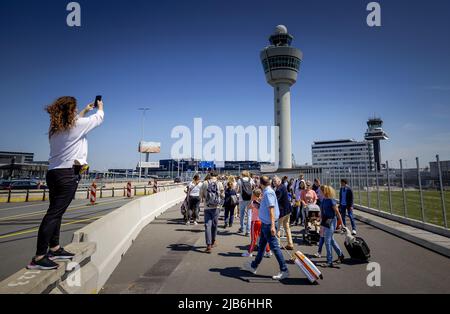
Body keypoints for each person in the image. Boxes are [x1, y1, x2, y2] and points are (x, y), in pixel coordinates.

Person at [28, 96, 104, 270]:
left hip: (54, 173)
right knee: (54, 214)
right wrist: (100, 107)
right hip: (67, 175)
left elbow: (75, 120)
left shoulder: (55, 129)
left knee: (57, 213)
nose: (76, 112)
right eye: (74, 109)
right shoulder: (75, 126)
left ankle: (54, 248)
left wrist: (85, 109)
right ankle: (39, 257)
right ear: (70, 111)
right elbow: (99, 119)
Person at [243, 176, 289, 280]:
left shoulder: (268, 193)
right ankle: (254, 266)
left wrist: (273, 226)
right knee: (262, 246)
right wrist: (258, 205)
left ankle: (284, 269)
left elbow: (271, 209)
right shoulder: (268, 191)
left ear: (261, 183)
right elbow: (267, 207)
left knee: (275, 247)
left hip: (268, 224)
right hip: (265, 223)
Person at [318, 185, 345, 267]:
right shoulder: (323, 200)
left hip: (332, 221)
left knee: (327, 241)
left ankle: (329, 261)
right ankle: (340, 255)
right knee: (331, 240)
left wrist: (342, 224)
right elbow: (322, 212)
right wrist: (320, 221)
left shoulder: (331, 200)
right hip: (325, 221)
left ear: (324, 191)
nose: (319, 192)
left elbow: (337, 213)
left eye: (320, 191)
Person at [241, 189, 271, 257]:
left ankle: (250, 252)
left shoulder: (254, 202)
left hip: (255, 221)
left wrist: (252, 199)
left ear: (254, 195)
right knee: (264, 238)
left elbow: (248, 207)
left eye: (252, 195)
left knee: (254, 238)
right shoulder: (263, 201)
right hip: (262, 221)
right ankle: (268, 251)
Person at [200, 171, 224, 253]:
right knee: (214, 225)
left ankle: (208, 245)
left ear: (210, 175)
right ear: (216, 176)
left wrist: (205, 199)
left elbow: (201, 195)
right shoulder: (219, 183)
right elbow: (222, 195)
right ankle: (213, 241)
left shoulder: (205, 183)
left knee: (207, 226)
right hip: (216, 207)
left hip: (207, 207)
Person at [274, 176, 294, 250]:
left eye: (275, 181)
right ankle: (290, 243)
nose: (274, 182)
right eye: (273, 181)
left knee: (278, 228)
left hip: (282, 211)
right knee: (287, 227)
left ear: (279, 181)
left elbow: (276, 200)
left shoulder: (279, 189)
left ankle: (278, 244)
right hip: (287, 210)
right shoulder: (283, 187)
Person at [237, 171, 254, 236]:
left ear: (242, 174)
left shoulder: (239, 180)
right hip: (250, 199)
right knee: (249, 215)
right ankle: (248, 231)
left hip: (242, 199)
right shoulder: (251, 180)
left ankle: (242, 228)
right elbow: (253, 188)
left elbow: (237, 189)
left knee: (242, 214)